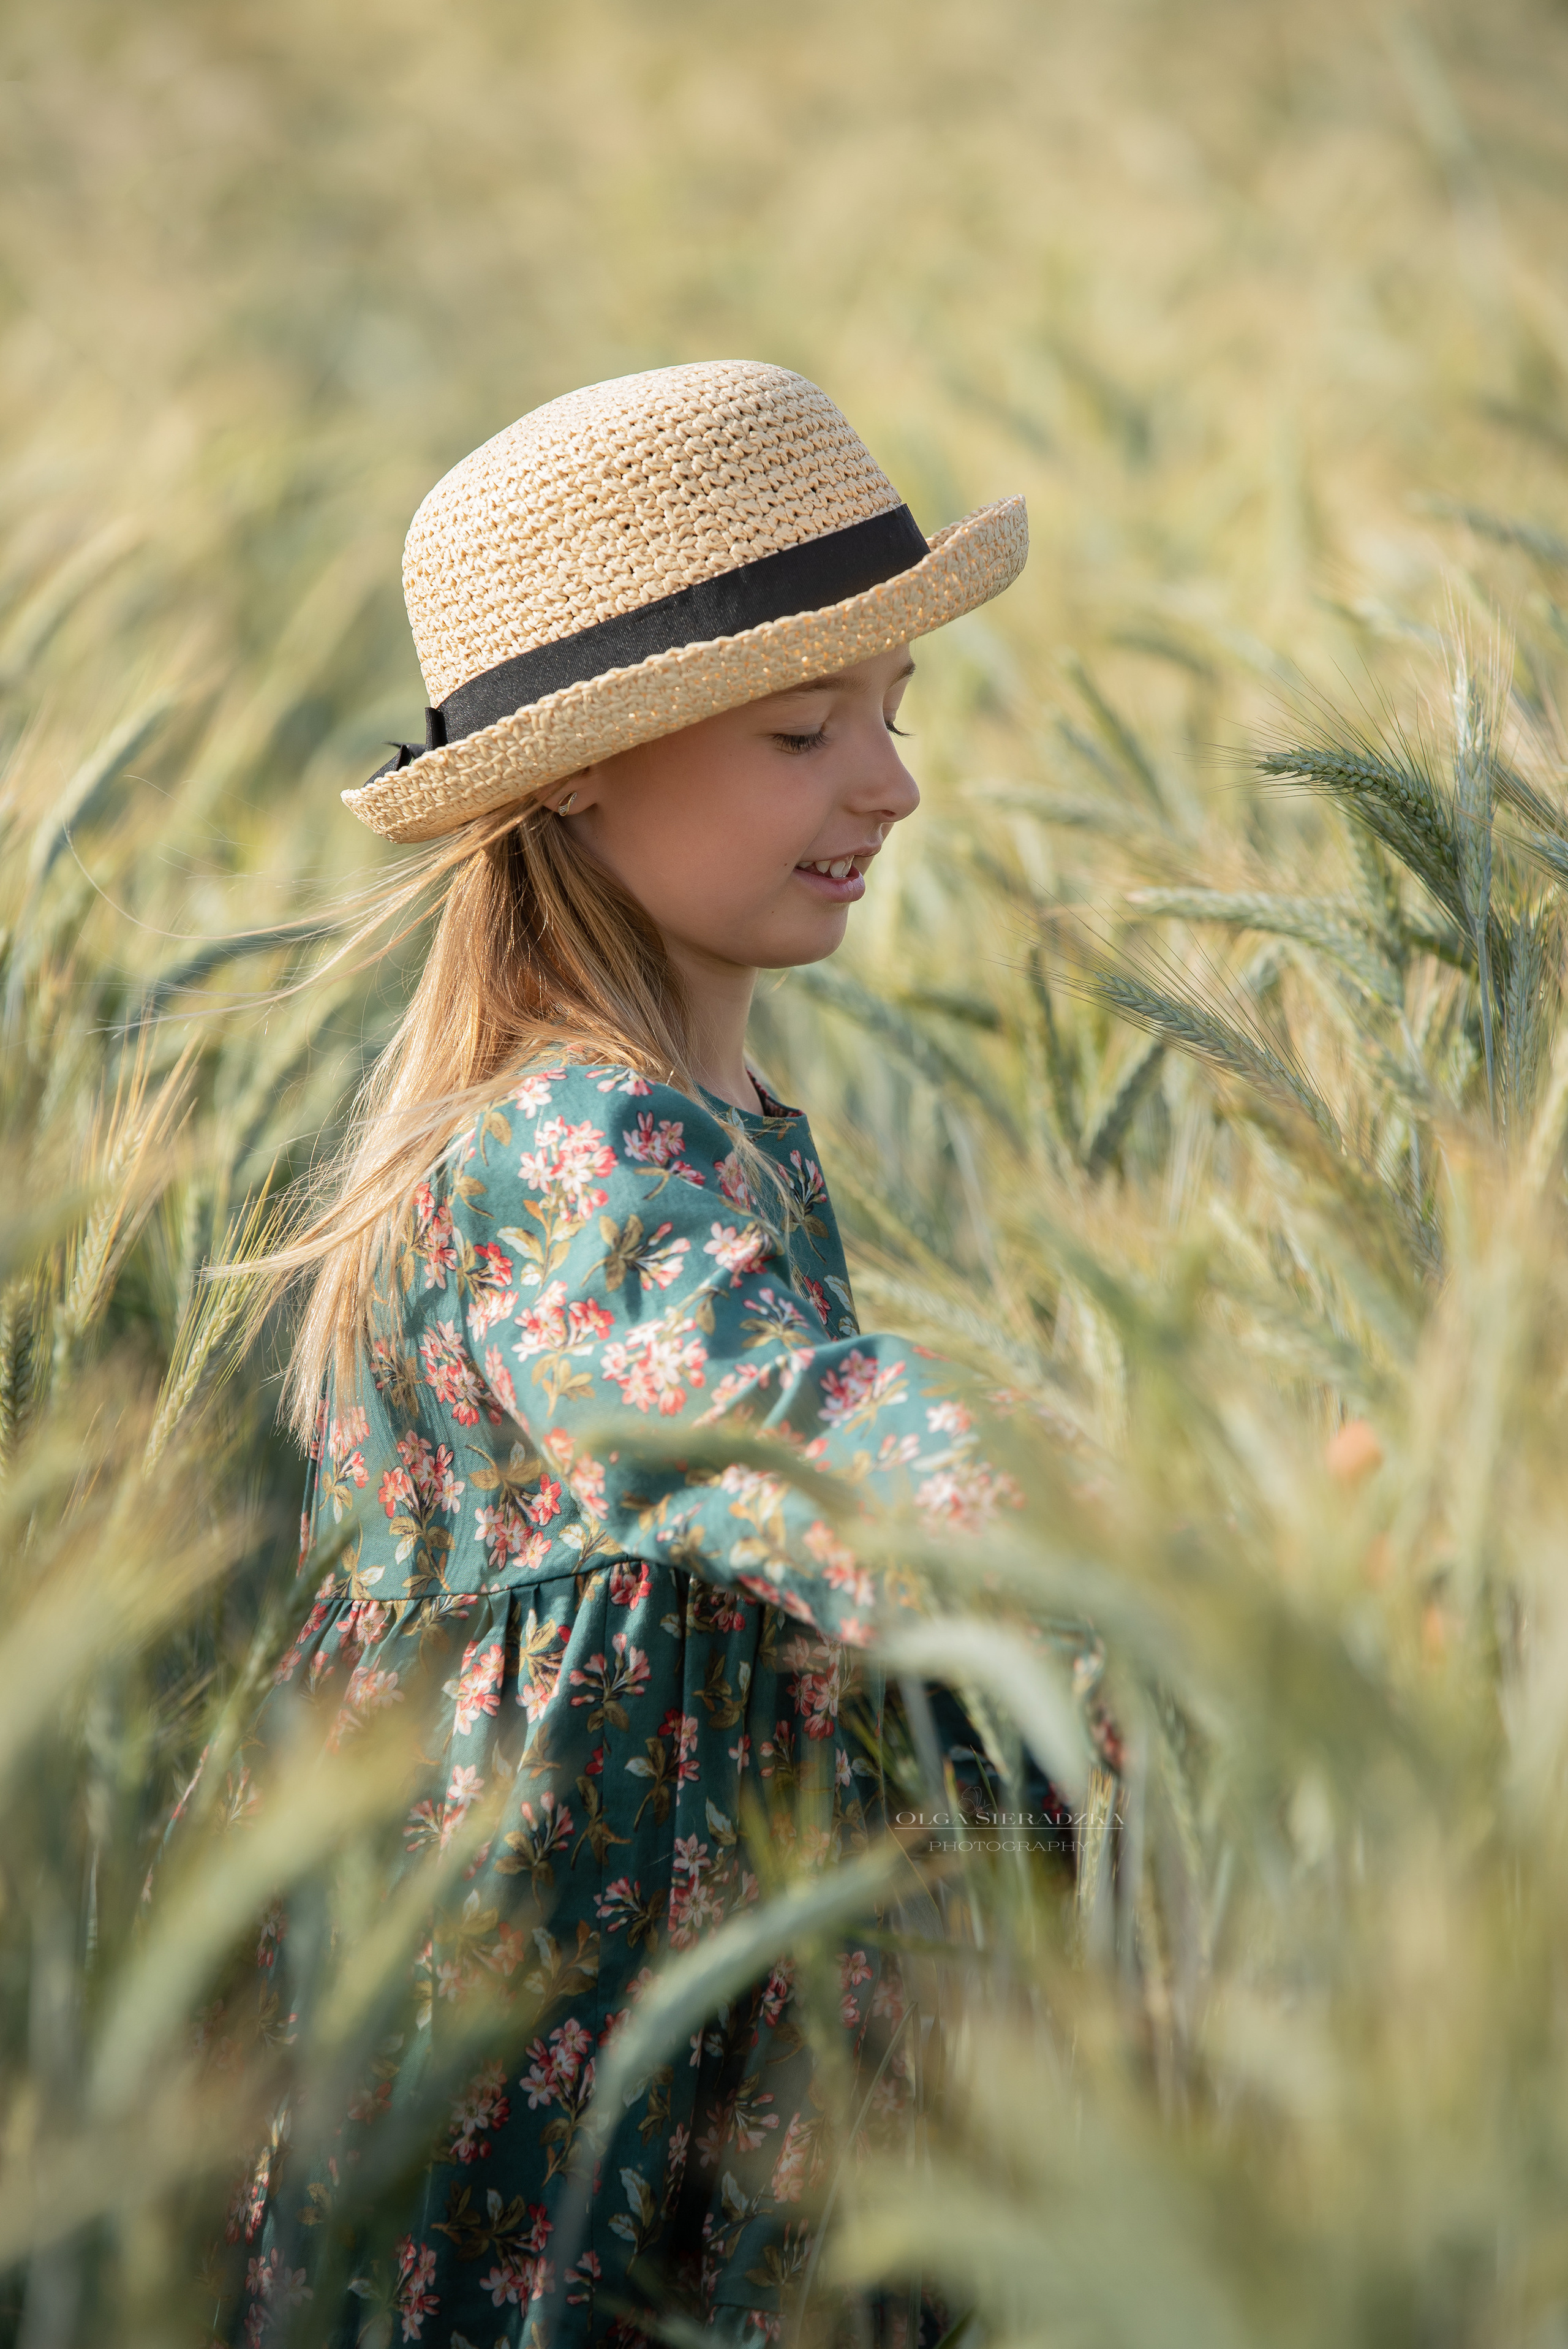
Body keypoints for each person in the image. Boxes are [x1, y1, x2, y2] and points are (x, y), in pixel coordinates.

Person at [217, 360, 1038, 2348]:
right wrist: (1149, 1562)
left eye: (893, 715)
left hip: (693, 2092)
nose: (891, 783)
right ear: (579, 769)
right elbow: (811, 1448)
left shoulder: (708, 1124)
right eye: (801, 728)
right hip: (563, 2153)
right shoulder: (577, 1146)